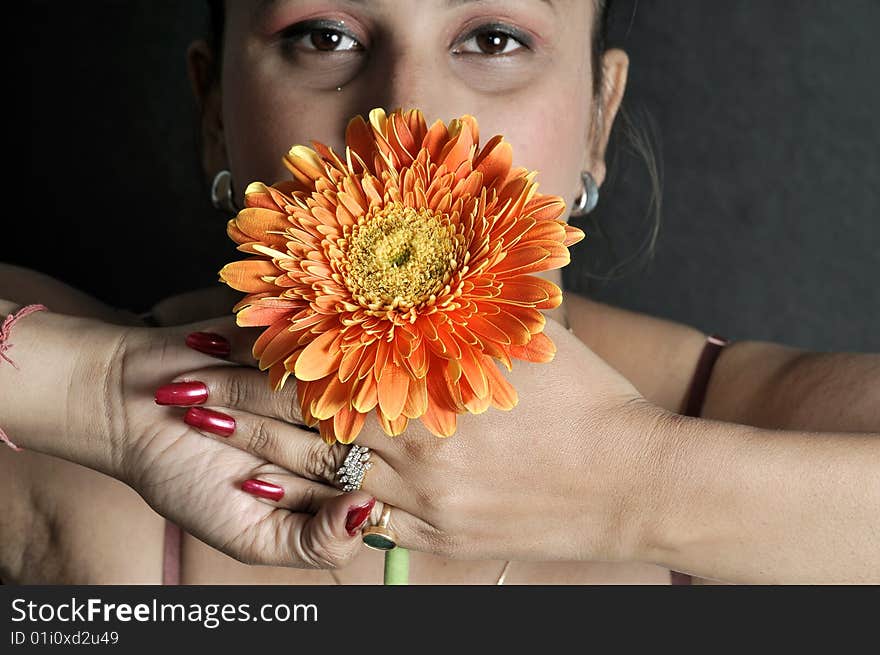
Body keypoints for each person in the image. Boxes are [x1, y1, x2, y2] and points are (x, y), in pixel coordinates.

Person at [1, 0, 877, 585]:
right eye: (324, 35)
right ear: (215, 113)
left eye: (493, 39)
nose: (404, 119)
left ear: (599, 119)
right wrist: (99, 396)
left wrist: (630, 481)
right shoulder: (68, 455)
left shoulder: (757, 415)